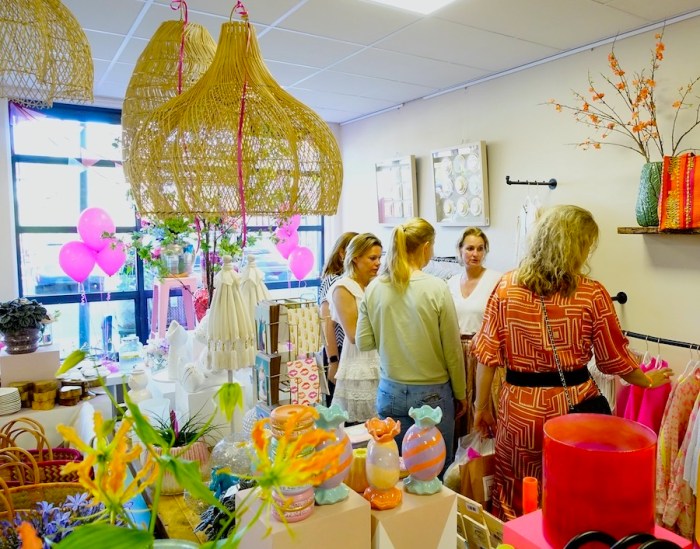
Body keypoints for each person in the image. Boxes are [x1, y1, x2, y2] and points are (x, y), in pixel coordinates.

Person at [472, 205, 674, 520]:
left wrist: (481, 407)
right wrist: (647, 380)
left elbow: (487, 356)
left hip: (519, 409)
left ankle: (515, 536)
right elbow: (612, 359)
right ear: (577, 247)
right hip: (573, 410)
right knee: (571, 491)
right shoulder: (591, 294)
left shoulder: (506, 287)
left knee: (517, 489)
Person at [356, 217, 467, 465]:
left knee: (395, 467)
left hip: (390, 390)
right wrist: (461, 393)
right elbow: (452, 350)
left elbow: (363, 342)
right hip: (432, 394)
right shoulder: (437, 288)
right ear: (426, 247)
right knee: (434, 469)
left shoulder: (374, 288)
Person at [447, 227, 503, 442]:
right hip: (457, 352)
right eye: (470, 248)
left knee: (486, 408)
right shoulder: (451, 283)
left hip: (485, 354)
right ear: (460, 250)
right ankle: (462, 459)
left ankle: (487, 457)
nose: (475, 254)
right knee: (460, 411)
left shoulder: (496, 280)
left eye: (480, 249)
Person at [328, 233, 383, 423]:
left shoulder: (375, 285)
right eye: (372, 258)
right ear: (355, 258)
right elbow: (353, 334)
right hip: (358, 362)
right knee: (359, 425)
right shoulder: (343, 288)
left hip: (380, 361)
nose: (378, 263)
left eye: (379, 258)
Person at [319, 231, 359, 404]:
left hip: (346, 351)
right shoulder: (334, 281)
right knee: (338, 408)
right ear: (342, 253)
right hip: (337, 351)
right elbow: (326, 323)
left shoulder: (349, 281)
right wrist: (333, 361)